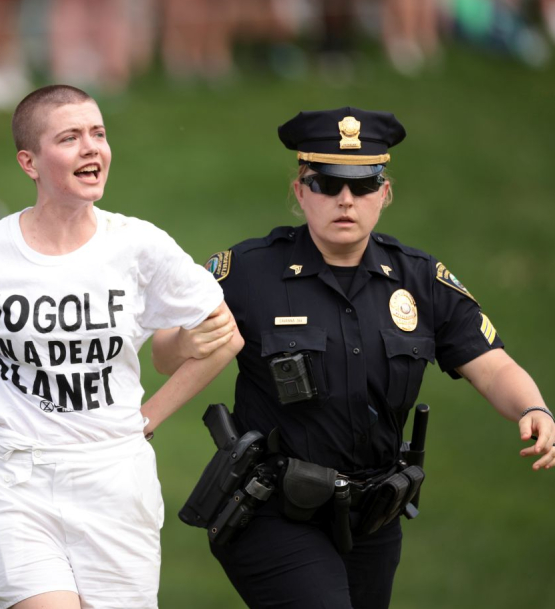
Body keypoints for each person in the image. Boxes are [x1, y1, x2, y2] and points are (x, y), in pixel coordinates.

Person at [155, 106, 555, 609]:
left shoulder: (419, 279)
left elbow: (490, 362)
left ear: (384, 194)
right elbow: (165, 349)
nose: (346, 199)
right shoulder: (249, 271)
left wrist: (533, 408)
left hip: (373, 516)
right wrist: (183, 344)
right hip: (271, 511)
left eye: (363, 186)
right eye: (326, 184)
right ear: (301, 192)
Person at [0, 84, 241, 609]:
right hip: (18, 481)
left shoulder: (137, 245)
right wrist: (16, 407)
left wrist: (146, 419)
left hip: (114, 481)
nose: (92, 148)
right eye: (70, 137)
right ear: (29, 162)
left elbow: (224, 334)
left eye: (98, 134)